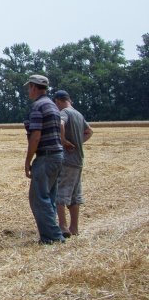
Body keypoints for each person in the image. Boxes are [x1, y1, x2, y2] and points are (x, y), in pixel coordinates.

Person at [23, 74, 66, 244]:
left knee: (39, 199)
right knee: (49, 198)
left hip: (46, 157)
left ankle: (53, 237)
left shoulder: (38, 107)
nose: (28, 90)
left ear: (34, 87)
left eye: (29, 87)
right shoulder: (53, 106)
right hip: (57, 155)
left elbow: (35, 136)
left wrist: (28, 160)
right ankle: (52, 234)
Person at [53, 89, 93, 238]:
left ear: (58, 101)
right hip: (78, 160)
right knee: (75, 195)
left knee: (59, 193)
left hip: (67, 159)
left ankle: (63, 226)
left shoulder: (65, 112)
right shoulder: (78, 114)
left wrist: (63, 141)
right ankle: (74, 227)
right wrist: (78, 143)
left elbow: (60, 124)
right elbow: (89, 131)